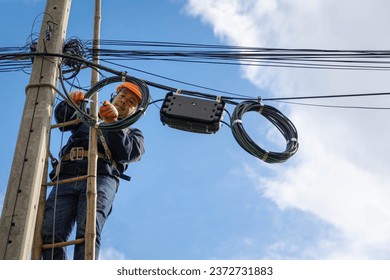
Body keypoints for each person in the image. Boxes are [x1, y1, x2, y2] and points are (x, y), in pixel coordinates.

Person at [41, 82, 145, 260]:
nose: (124, 101)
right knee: (51, 233)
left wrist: (113, 124)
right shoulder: (88, 115)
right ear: (114, 96)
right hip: (68, 175)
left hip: (101, 177)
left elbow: (126, 153)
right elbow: (63, 120)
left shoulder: (133, 133)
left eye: (131, 102)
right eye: (122, 96)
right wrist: (70, 101)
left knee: (87, 232)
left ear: (134, 112)